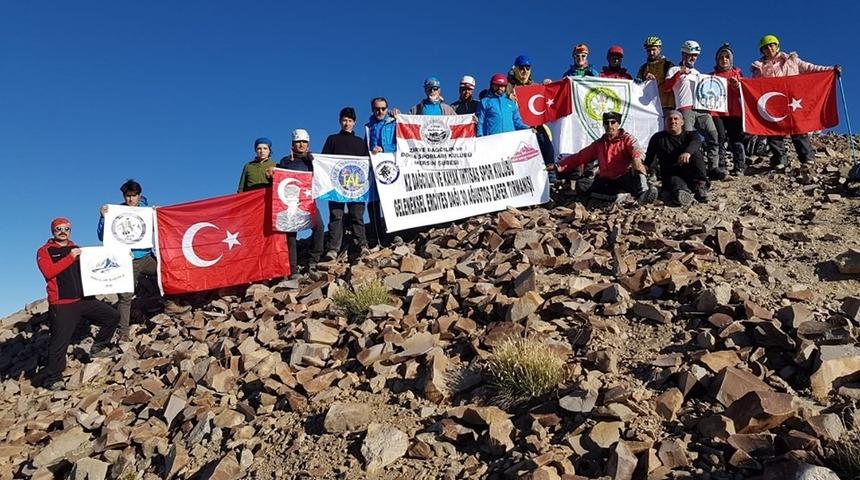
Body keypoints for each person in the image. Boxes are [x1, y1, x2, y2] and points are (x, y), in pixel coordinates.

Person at [36, 218, 119, 390]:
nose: (63, 231)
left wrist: (123, 259)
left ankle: (99, 347)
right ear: (53, 231)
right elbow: (48, 272)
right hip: (62, 303)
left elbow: (98, 264)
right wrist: (70, 257)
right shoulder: (45, 251)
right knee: (60, 341)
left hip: (84, 299)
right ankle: (54, 378)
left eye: (66, 228)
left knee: (112, 316)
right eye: (58, 228)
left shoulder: (78, 249)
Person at [751, 34, 842, 169]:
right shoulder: (759, 68)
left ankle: (807, 158)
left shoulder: (791, 60)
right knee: (773, 131)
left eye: (771, 45)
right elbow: (754, 86)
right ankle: (780, 160)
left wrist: (830, 70)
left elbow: (810, 68)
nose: (769, 49)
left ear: (777, 46)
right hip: (772, 103)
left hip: (792, 100)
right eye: (765, 48)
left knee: (798, 128)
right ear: (761, 51)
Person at [97, 179, 157, 340]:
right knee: (125, 297)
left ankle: (174, 307)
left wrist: (159, 216)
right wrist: (103, 218)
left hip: (147, 257)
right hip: (126, 261)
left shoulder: (146, 210)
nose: (130, 199)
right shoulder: (115, 211)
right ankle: (124, 333)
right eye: (127, 196)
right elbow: (102, 236)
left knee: (166, 272)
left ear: (139, 195)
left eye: (134, 195)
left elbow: (159, 228)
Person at [555, 111, 657, 205]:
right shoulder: (599, 144)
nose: (610, 125)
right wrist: (559, 166)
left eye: (613, 122)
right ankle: (620, 197)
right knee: (581, 185)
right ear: (603, 125)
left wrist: (637, 160)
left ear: (618, 124)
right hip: (607, 181)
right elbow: (580, 157)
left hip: (625, 177)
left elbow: (636, 150)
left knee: (639, 168)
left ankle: (643, 194)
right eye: (606, 123)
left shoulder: (627, 139)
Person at [664, 40, 724, 179]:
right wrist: (679, 73)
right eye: (690, 54)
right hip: (685, 108)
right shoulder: (674, 69)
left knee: (713, 135)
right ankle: (689, 169)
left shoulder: (698, 73)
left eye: (695, 55)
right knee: (689, 139)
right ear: (683, 54)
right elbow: (667, 87)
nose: (693, 57)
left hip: (702, 109)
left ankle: (713, 167)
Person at [322, 107, 372, 259]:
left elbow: (366, 164)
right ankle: (333, 249)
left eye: (350, 121)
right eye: (344, 120)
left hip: (356, 187)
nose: (347, 123)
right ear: (340, 121)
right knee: (336, 216)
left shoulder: (360, 143)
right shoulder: (332, 140)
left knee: (357, 215)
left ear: (354, 123)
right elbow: (324, 161)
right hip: (335, 187)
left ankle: (361, 245)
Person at [277, 129, 325, 274]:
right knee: (290, 235)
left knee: (319, 226)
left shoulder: (314, 161)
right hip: (289, 204)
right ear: (293, 144)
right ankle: (292, 269)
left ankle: (314, 260)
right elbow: (279, 179)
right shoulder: (285, 161)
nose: (301, 145)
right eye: (298, 142)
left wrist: (314, 162)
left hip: (307, 202)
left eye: (304, 142)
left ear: (308, 144)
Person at [645, 110, 710, 207]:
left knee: (696, 153)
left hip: (691, 172)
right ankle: (682, 194)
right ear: (665, 122)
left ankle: (700, 187)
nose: (673, 121)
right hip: (671, 173)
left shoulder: (691, 135)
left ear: (682, 122)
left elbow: (696, 143)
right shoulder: (657, 138)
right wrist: (643, 168)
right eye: (670, 119)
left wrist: (687, 152)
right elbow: (649, 158)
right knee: (677, 184)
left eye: (676, 119)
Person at [709, 44, 747, 176]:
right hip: (717, 112)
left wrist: (737, 86)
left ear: (731, 59)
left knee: (736, 138)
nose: (724, 59)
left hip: (734, 111)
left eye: (727, 57)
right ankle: (720, 166)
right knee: (719, 137)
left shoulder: (737, 74)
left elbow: (745, 92)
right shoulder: (710, 76)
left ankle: (740, 166)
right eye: (721, 57)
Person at [636, 36, 676, 112]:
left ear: (659, 49)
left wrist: (655, 80)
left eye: (653, 50)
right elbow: (638, 87)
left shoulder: (668, 65)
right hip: (649, 107)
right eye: (648, 50)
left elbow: (673, 83)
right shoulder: (643, 68)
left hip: (666, 105)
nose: (651, 53)